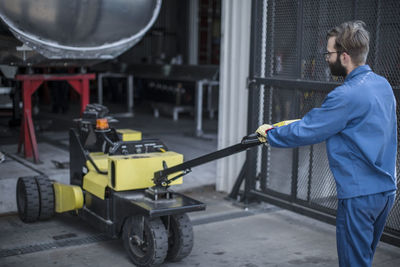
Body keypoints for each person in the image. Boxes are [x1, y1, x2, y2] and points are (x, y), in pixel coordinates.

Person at [256, 20, 397, 267]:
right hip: (386, 191)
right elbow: (341, 123)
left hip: (359, 196)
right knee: (364, 259)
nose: (326, 58)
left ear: (344, 57)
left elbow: (309, 130)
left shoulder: (346, 95)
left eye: (329, 53)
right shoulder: (382, 85)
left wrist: (271, 135)